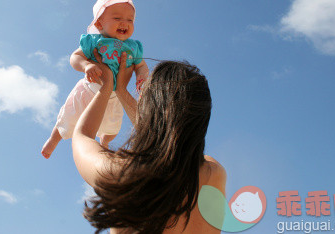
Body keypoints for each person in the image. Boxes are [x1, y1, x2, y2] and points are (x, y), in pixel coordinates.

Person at [72, 51, 227, 233]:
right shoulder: (214, 173)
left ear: (151, 106)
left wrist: (107, 86)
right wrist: (121, 90)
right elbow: (168, 134)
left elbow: (82, 135)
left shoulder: (122, 172)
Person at [41, 0, 149, 159]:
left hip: (115, 98)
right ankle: (53, 140)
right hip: (88, 90)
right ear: (99, 23)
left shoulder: (133, 47)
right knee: (68, 118)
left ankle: (104, 143)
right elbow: (75, 57)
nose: (124, 23)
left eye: (130, 20)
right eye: (117, 17)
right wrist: (87, 65)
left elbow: (141, 66)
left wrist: (141, 78)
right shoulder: (93, 41)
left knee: (113, 128)